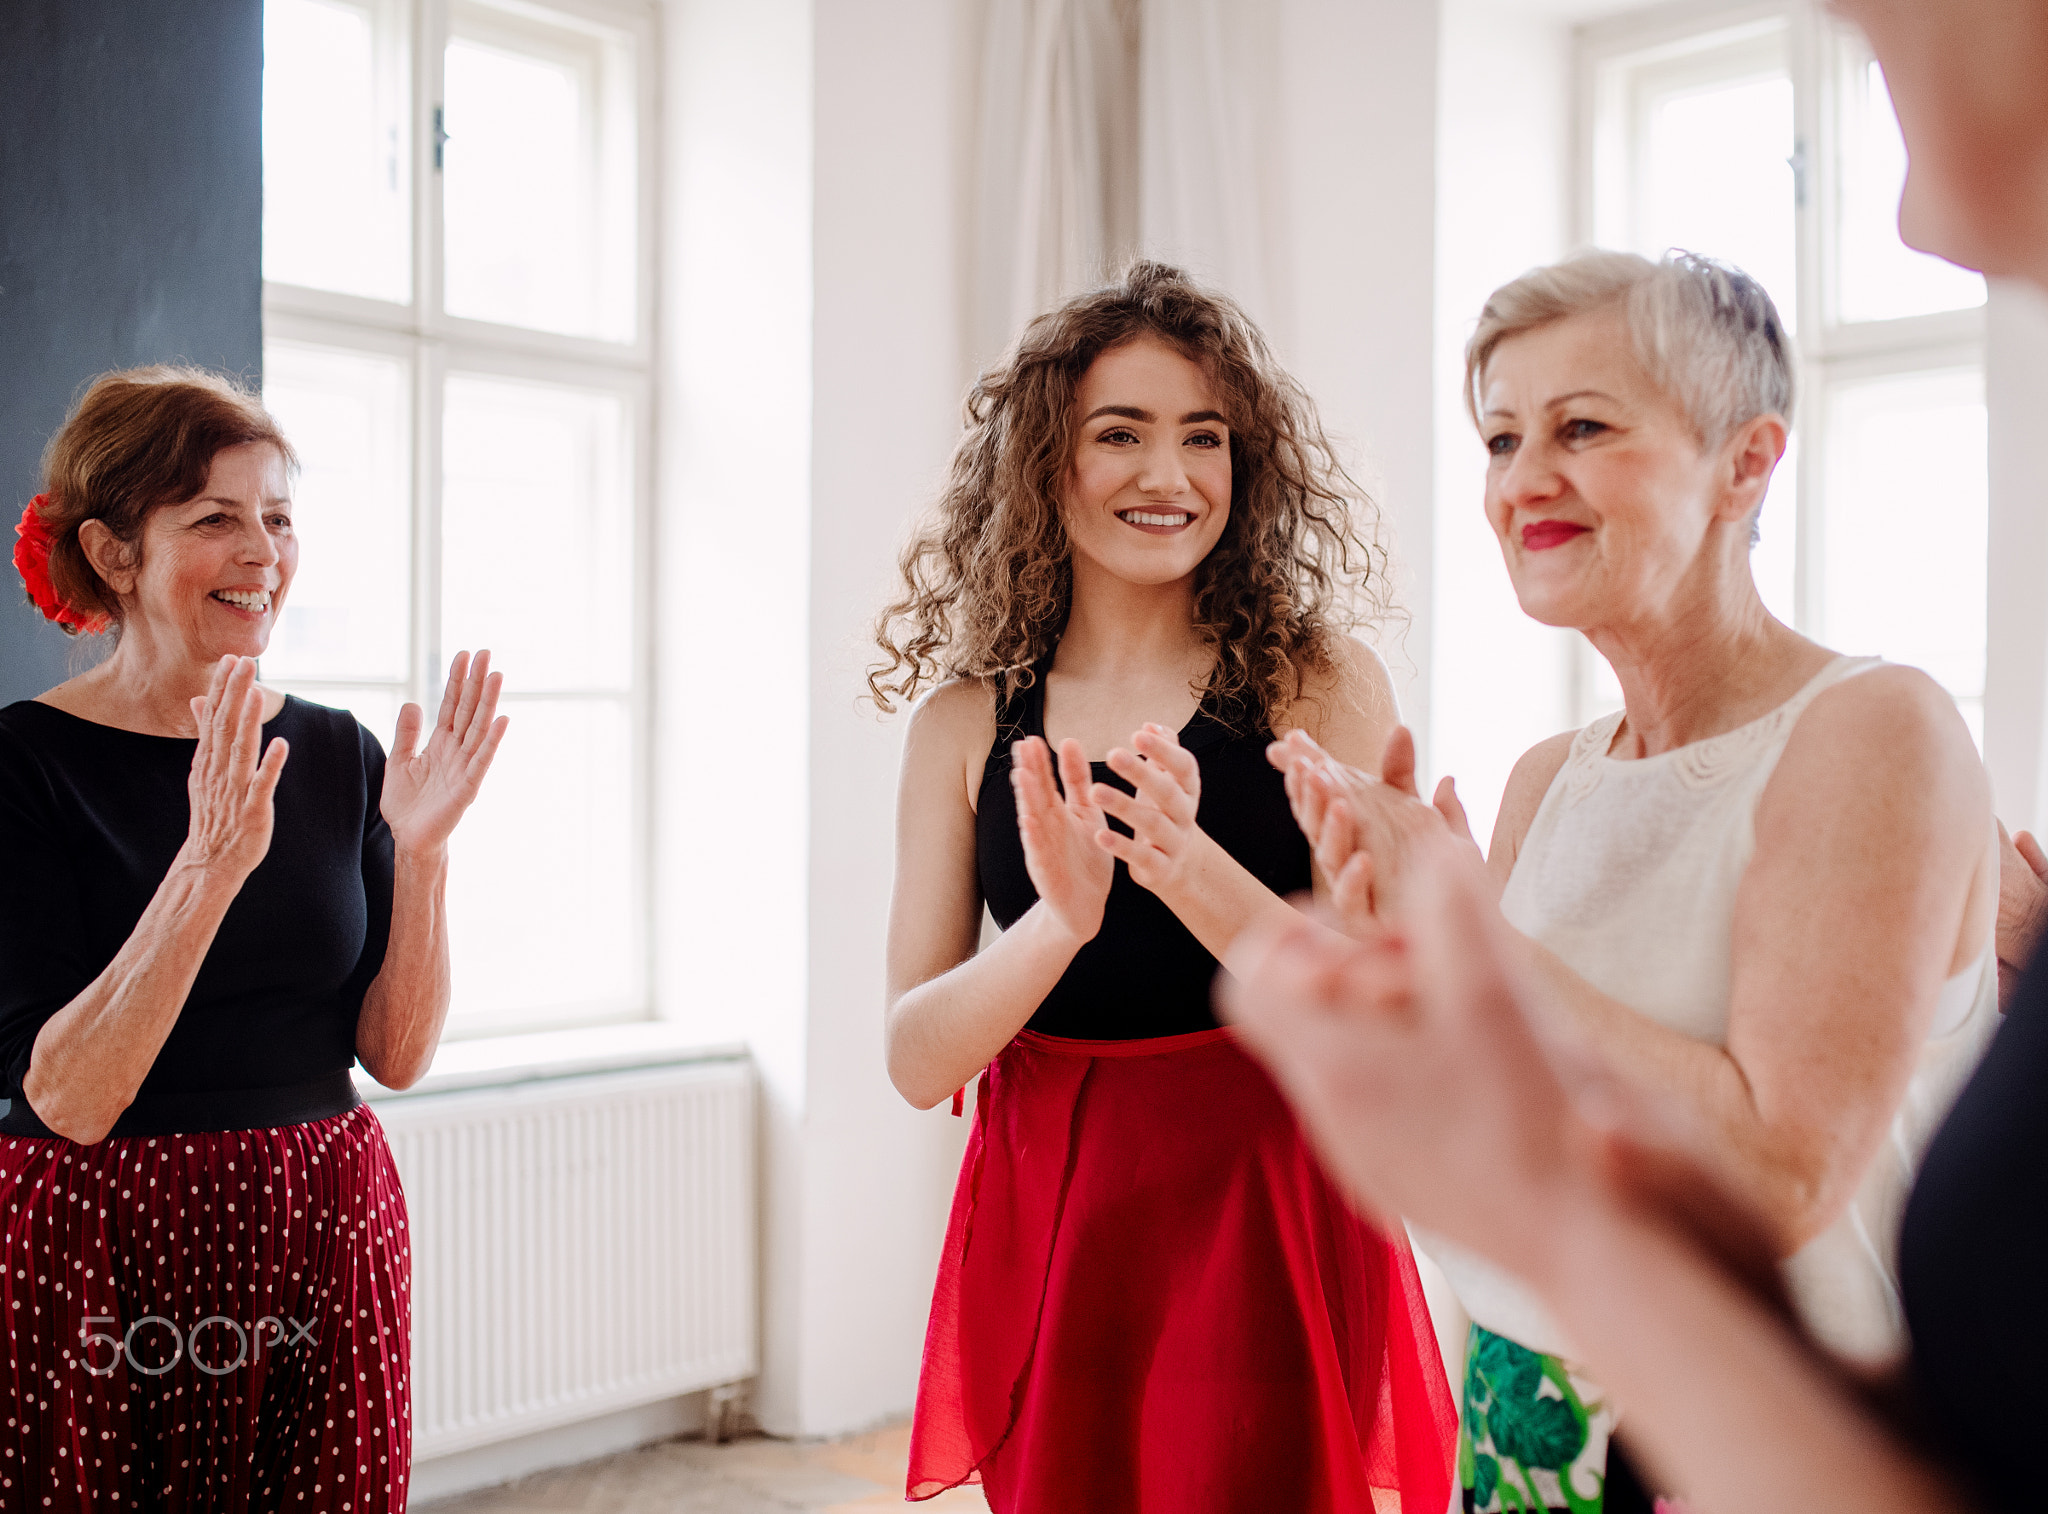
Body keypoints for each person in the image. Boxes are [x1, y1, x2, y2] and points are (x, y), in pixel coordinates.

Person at [1222, 1, 2048, 1509]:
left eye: (1584, 426)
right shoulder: (1547, 775)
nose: (1526, 479)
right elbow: (1535, 1107)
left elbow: (1782, 1174)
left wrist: (1476, 930)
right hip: (1529, 1400)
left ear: (1750, 459)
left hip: (1775, 1431)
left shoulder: (1875, 728)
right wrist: (1397, 955)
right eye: (1498, 437)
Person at [872, 262, 1457, 1513]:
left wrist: (1189, 873)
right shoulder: (964, 724)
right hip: (1058, 1214)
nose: (1168, 474)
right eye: (1118, 434)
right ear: (1045, 466)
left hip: (1272, 1199)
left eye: (1203, 437)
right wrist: (1058, 927)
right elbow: (917, 1056)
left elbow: (1384, 1014)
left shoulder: (1319, 686)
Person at [0, 367, 507, 1511]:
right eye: (216, 518)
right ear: (113, 550)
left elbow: (398, 1054)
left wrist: (421, 855)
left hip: (322, 1217)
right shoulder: (23, 763)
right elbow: (68, 1097)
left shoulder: (338, 750)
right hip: (101, 1244)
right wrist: (207, 866)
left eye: (277, 517)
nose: (262, 552)